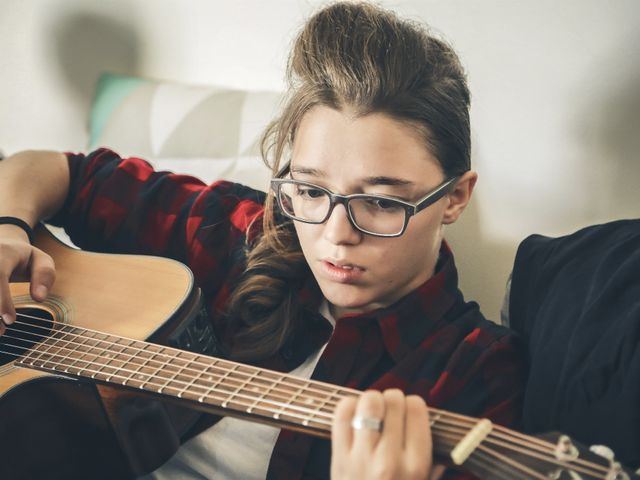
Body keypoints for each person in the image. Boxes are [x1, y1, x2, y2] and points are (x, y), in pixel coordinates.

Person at [0, 2, 526, 479]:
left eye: (382, 202)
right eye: (311, 190)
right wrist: (9, 230)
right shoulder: (242, 231)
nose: (335, 236)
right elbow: (59, 171)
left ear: (455, 197)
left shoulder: (479, 374)